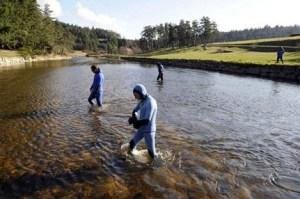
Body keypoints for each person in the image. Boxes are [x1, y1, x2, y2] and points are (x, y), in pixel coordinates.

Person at [128, 84, 158, 160]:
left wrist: (136, 123)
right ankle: (130, 159)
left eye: (136, 95)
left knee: (152, 153)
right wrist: (133, 118)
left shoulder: (150, 102)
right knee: (132, 144)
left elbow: (147, 120)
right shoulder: (142, 100)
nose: (135, 97)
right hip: (142, 128)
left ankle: (154, 168)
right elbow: (135, 110)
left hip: (149, 131)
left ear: (141, 93)